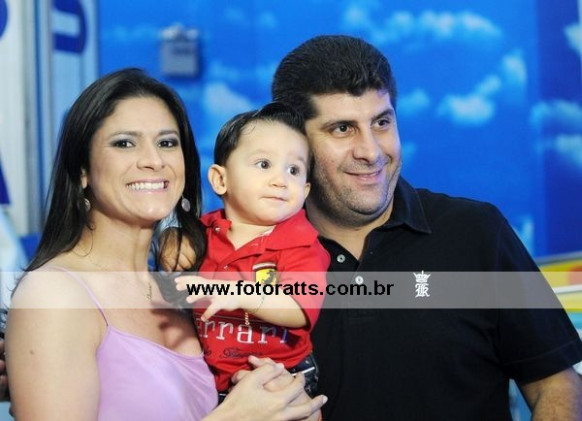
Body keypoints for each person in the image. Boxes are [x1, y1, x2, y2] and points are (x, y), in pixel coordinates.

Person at [270, 34, 582, 420]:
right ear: (293, 142)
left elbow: (556, 383)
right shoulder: (254, 258)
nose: (371, 151)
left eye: (381, 122)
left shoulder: (477, 233)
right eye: (342, 129)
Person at [4, 68, 325, 421]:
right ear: (83, 169)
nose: (153, 160)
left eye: (167, 143)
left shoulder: (178, 286)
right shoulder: (55, 295)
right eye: (124, 143)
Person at [173, 102, 329, 400]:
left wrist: (240, 294)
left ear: (306, 191)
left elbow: (298, 308)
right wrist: (172, 240)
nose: (281, 180)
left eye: (294, 170)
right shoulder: (205, 232)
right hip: (213, 378)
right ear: (221, 179)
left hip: (282, 373)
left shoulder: (302, 244)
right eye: (264, 164)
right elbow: (177, 241)